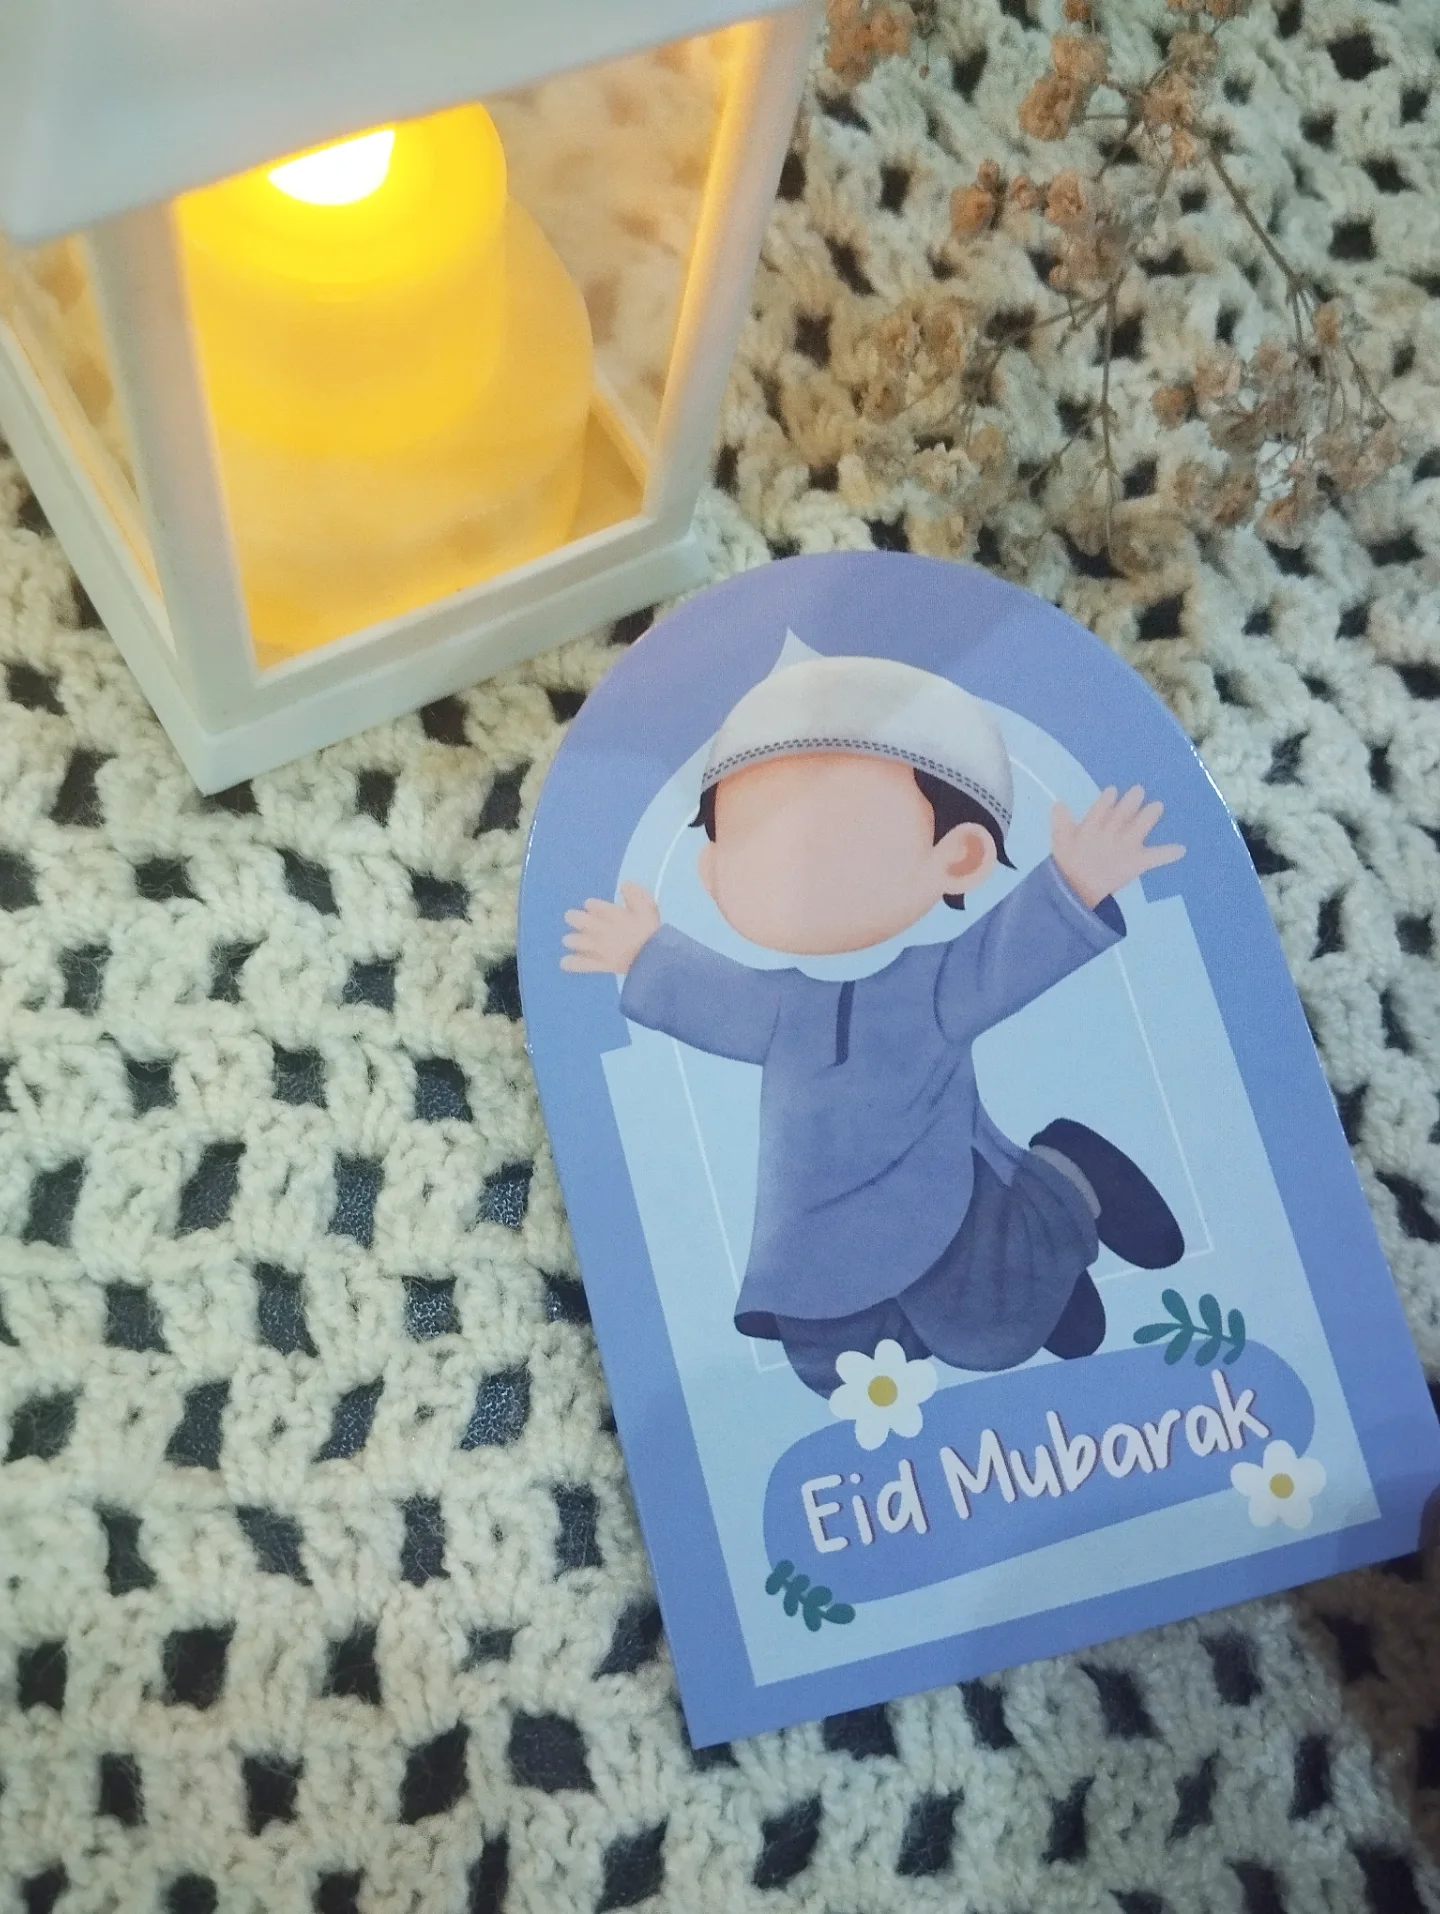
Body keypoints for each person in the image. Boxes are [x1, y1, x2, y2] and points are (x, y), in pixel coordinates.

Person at [562, 653, 1186, 1397]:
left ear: (960, 856)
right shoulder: (780, 1006)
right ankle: (1039, 1272)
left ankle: (1065, 1184)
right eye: (746, 839)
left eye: (829, 838)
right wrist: (643, 954)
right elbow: (709, 997)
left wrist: (1073, 884)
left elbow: (1004, 953)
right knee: (828, 1373)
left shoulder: (933, 985)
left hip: (944, 1209)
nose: (785, 868)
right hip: (812, 1239)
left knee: (991, 1338)